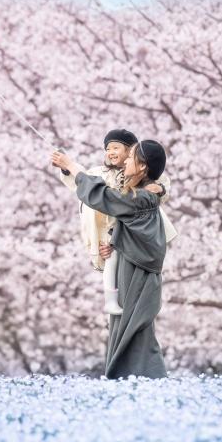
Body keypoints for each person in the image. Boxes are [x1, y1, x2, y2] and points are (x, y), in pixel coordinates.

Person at [51, 141, 169, 379]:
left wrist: (72, 166)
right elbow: (134, 228)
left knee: (134, 330)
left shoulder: (141, 198)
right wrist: (115, 243)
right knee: (123, 326)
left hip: (137, 273)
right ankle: (130, 383)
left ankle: (144, 382)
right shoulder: (143, 195)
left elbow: (102, 195)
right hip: (130, 267)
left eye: (131, 156)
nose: (125, 160)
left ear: (144, 167)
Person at [56, 129, 175, 316]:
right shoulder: (100, 172)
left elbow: (161, 182)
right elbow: (84, 180)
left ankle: (113, 303)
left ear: (132, 153)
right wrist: (67, 167)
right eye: (107, 148)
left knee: (125, 290)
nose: (110, 152)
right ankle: (110, 301)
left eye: (116, 147)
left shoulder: (138, 181)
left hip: (129, 240)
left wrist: (159, 188)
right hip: (112, 235)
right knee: (112, 270)